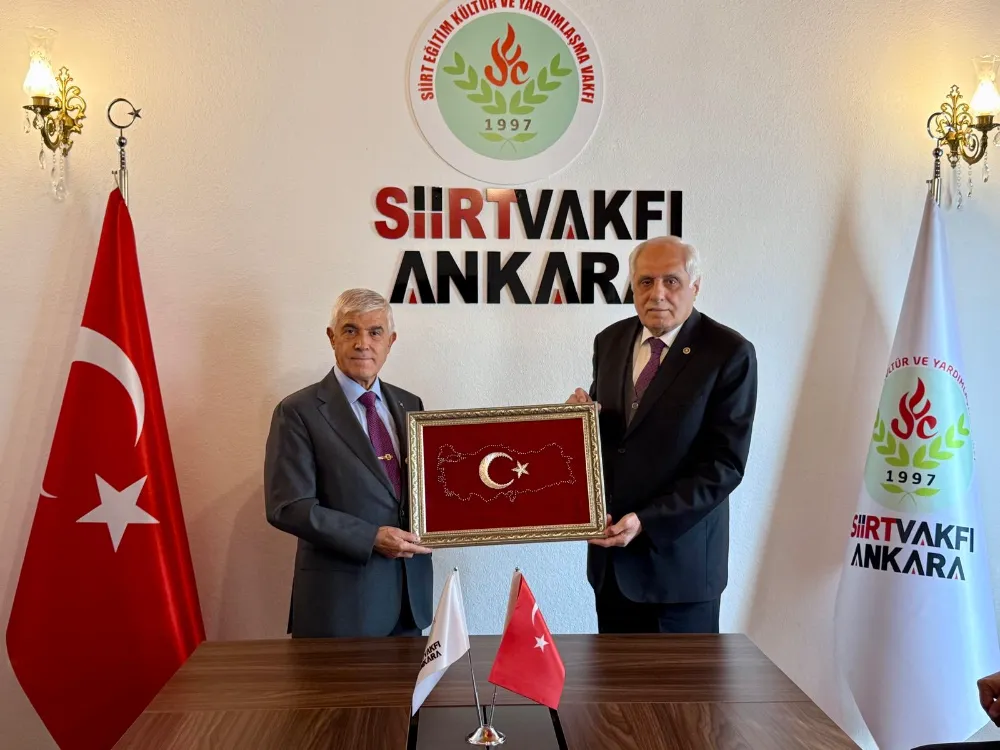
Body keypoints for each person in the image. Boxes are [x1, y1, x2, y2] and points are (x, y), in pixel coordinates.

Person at [567, 236, 757, 634]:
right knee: (614, 677)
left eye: (671, 281)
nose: (657, 294)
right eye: (645, 281)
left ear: (695, 286)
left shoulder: (729, 352)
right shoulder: (610, 341)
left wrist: (647, 521)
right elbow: (618, 439)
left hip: (680, 572)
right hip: (612, 568)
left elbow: (724, 466)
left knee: (681, 680)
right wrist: (577, 422)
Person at [264, 288, 432, 638]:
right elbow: (288, 507)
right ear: (332, 337)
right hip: (339, 607)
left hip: (408, 602)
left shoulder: (410, 404)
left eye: (375, 332)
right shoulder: (297, 411)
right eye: (350, 330)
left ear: (391, 341)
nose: (362, 343)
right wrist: (370, 537)